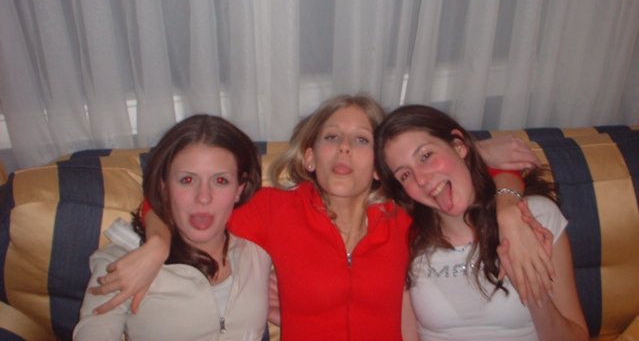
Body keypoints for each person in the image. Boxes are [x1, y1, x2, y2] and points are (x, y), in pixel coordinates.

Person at [89, 95, 553, 340]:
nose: (345, 149)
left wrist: (501, 192)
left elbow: (470, 177)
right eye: (332, 137)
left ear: (379, 166)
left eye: (361, 140)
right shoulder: (273, 210)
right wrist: (156, 244)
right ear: (310, 157)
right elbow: (182, 202)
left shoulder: (404, 215)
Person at [375, 104, 588, 340]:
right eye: (405, 174)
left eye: (426, 156)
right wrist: (484, 150)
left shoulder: (535, 218)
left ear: (458, 146)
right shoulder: (408, 239)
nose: (422, 179)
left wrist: (534, 288)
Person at [74, 115, 271, 341]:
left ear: (239, 189)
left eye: (220, 181)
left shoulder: (259, 245)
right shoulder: (124, 260)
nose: (203, 197)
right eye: (187, 180)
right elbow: (94, 330)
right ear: (164, 186)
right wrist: (157, 245)